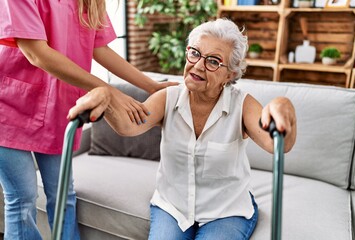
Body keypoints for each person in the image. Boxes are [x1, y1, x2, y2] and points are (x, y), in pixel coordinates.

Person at [68, 18, 297, 240]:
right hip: (173, 207)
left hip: (227, 211)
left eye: (213, 61)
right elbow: (128, 127)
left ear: (230, 75)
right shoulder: (168, 98)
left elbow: (279, 145)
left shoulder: (243, 105)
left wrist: (283, 106)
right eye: (195, 53)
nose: (198, 65)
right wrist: (105, 95)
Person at [0, 0, 176, 239]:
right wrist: (108, 90)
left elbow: (99, 48)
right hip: (7, 108)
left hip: (56, 110)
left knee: (63, 196)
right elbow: (36, 53)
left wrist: (151, 86)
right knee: (23, 198)